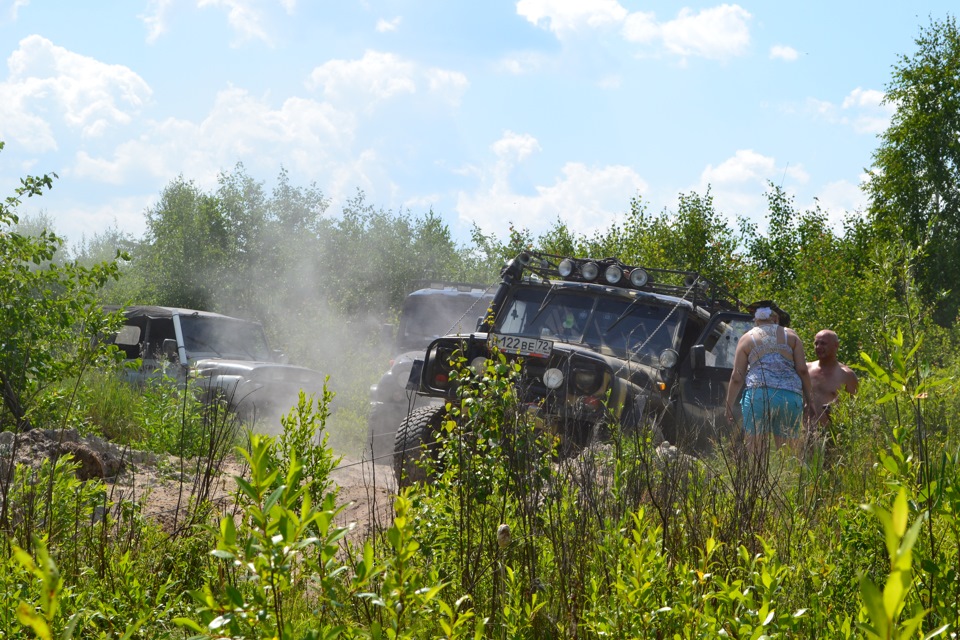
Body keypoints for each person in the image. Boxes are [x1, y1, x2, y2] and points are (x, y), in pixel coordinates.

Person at [724, 301, 815, 450]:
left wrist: (729, 405)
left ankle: (756, 473)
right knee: (788, 453)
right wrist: (810, 400)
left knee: (755, 451)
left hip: (758, 395)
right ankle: (789, 473)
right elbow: (803, 370)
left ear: (756, 320)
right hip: (789, 396)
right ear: (776, 319)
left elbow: (737, 377)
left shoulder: (747, 338)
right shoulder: (791, 336)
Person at [807, 329, 858, 428]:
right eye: (816, 343)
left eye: (823, 343)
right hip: (806, 433)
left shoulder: (846, 375)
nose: (818, 347)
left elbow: (854, 409)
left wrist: (835, 408)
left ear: (836, 345)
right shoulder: (806, 370)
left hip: (833, 435)